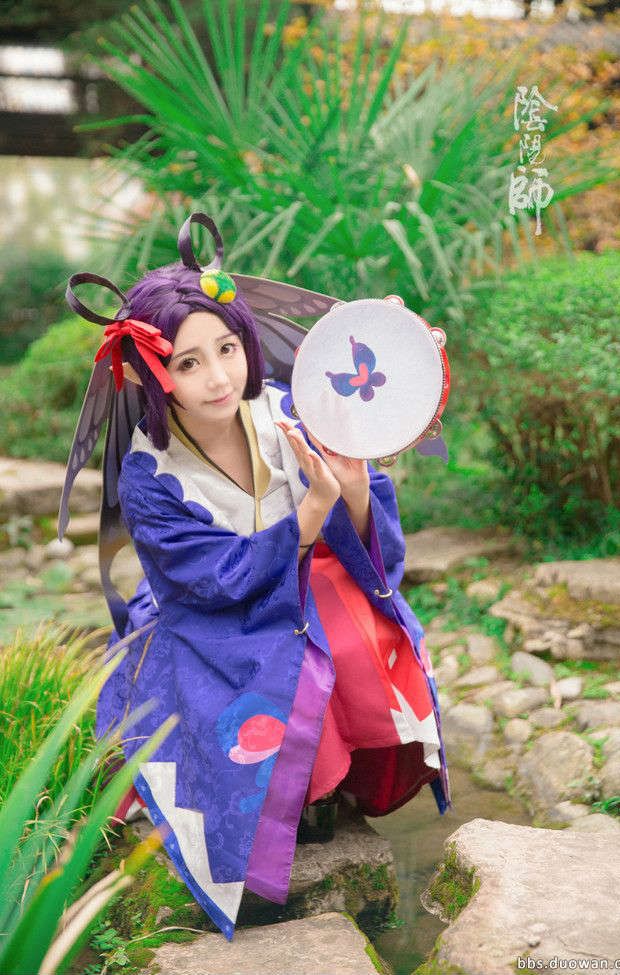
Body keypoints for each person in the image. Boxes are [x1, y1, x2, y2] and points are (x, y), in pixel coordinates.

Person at [62, 213, 452, 942]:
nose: (218, 377)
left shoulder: (289, 409)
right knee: (268, 664)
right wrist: (308, 513)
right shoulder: (149, 475)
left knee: (351, 620)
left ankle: (325, 785)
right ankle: (287, 797)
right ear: (149, 373)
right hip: (206, 623)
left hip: (301, 586)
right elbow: (212, 585)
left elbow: (372, 550)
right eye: (187, 363)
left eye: (227, 348)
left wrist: (352, 488)